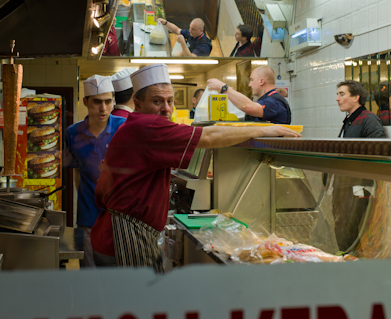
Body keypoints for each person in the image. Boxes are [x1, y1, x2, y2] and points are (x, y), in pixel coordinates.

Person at [91, 64, 301, 271]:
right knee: (136, 302)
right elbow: (209, 136)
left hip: (122, 231)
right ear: (137, 102)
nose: (165, 108)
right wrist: (265, 130)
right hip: (122, 236)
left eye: (170, 101)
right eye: (157, 101)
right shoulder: (146, 125)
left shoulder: (140, 125)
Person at [63, 75, 126, 267]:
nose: (103, 108)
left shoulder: (122, 128)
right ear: (85, 102)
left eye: (108, 102)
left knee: (117, 274)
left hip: (119, 217)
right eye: (97, 102)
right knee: (90, 272)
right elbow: (76, 172)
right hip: (88, 216)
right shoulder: (73, 133)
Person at [334, 80, 386, 252]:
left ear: (356, 97)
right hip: (345, 184)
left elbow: (379, 150)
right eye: (337, 94)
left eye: (342, 94)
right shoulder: (348, 121)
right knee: (342, 226)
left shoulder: (369, 120)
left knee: (352, 228)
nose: (337, 99)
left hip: (360, 185)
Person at [206, 66, 291, 124]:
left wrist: (223, 88)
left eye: (252, 80)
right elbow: (246, 106)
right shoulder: (266, 100)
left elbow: (249, 107)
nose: (249, 84)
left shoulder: (273, 103)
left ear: (261, 81)